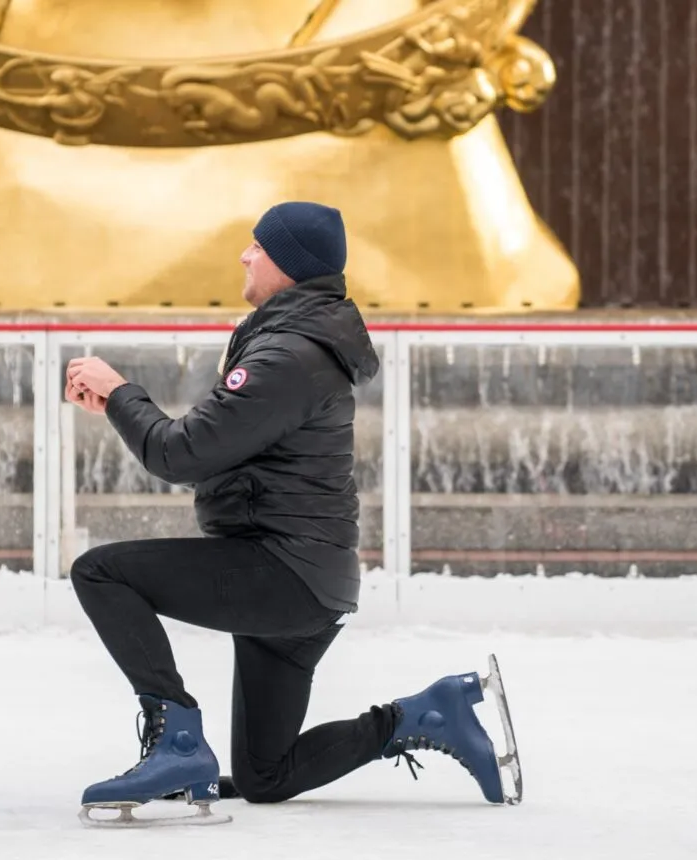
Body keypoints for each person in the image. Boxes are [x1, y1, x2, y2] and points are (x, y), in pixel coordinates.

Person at [65, 201, 519, 826]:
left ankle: (175, 740)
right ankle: (426, 715)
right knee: (265, 776)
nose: (245, 255)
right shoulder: (294, 346)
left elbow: (179, 453)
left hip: (281, 572)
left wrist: (120, 392)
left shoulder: (287, 356)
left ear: (292, 266)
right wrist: (119, 410)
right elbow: (218, 443)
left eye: (259, 246)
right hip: (307, 582)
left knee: (100, 572)